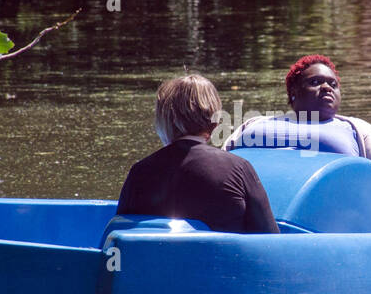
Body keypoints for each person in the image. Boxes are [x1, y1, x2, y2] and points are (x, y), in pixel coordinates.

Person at [222, 54, 371, 204]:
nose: (327, 87)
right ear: (293, 93)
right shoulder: (252, 125)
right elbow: (220, 171)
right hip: (255, 224)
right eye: (315, 82)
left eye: (333, 84)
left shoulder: (363, 133)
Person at [116, 75, 279, 234]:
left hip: (158, 260)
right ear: (214, 123)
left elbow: (119, 233)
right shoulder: (238, 169)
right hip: (220, 260)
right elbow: (271, 240)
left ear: (162, 121)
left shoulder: (140, 172)